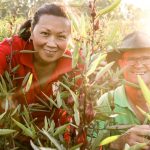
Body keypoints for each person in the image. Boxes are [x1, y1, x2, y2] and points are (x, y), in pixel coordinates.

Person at [0, 3, 85, 148]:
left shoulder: (74, 66)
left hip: (49, 142)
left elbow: (76, 117)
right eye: (45, 34)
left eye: (61, 37)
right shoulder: (10, 52)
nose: (51, 44)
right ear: (31, 32)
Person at [97, 31, 150, 150]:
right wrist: (118, 143)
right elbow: (90, 145)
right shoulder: (107, 102)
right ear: (121, 64)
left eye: (146, 58)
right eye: (131, 59)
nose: (139, 64)